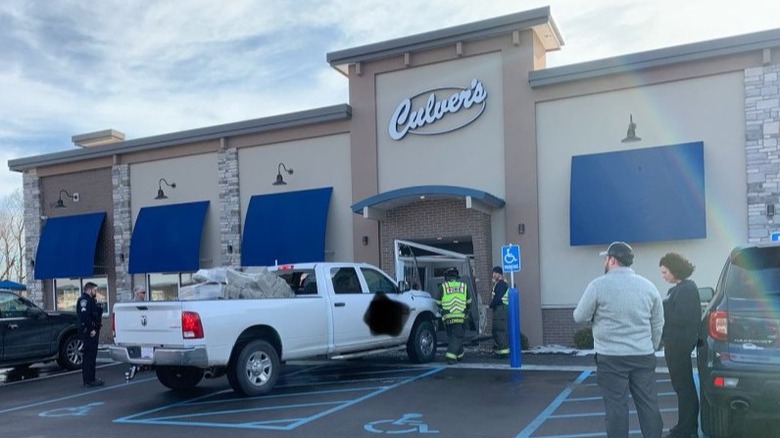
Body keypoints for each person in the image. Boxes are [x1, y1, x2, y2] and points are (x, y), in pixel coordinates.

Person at [573, 241, 664, 438]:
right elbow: (658, 323)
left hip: (611, 357)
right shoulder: (648, 286)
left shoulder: (598, 285)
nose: (604, 261)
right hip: (643, 355)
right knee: (648, 404)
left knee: (616, 408)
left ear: (612, 260)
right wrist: (652, 346)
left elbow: (579, 316)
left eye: (606, 258)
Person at [659, 253, 701, 438]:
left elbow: (683, 317)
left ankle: (686, 428)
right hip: (676, 343)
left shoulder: (686, 289)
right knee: (682, 387)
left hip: (679, 345)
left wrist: (662, 315)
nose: (663, 275)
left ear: (675, 270)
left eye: (665, 272)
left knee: (683, 387)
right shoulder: (680, 289)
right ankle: (686, 426)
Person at [438, 268, 471, 364]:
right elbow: (469, 302)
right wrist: (466, 310)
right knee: (458, 336)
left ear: (447, 277)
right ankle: (451, 356)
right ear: (456, 277)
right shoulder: (463, 286)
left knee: (454, 336)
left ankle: (459, 355)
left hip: (447, 317)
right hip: (460, 316)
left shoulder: (443, 286)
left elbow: (437, 301)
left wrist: (443, 308)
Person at [77, 282, 104, 387]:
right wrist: (91, 329)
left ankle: (91, 378)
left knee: (92, 356)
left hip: (93, 330)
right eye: (95, 290)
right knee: (89, 356)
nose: (96, 292)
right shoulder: (84, 300)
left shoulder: (91, 300)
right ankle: (89, 380)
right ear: (89, 289)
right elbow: (84, 316)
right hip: (88, 332)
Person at [489, 266, 510, 357]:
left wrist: (491, 305)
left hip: (500, 309)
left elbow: (498, 297)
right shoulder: (499, 283)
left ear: (499, 274)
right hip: (500, 310)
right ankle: (500, 351)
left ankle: (503, 352)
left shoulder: (501, 284)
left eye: (495, 273)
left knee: (499, 330)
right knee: (497, 330)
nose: (493, 275)